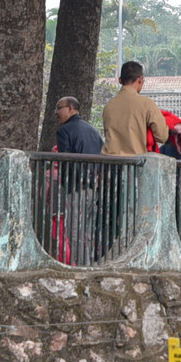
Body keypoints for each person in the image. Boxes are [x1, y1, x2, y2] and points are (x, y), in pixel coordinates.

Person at [51, 96, 103, 265]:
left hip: (76, 186)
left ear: (71, 108)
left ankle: (80, 267)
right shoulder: (93, 130)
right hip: (94, 187)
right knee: (87, 230)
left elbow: (66, 160)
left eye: (59, 108)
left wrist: (64, 180)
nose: (56, 112)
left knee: (74, 230)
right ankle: (87, 264)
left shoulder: (64, 131)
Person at [101, 60, 168, 155]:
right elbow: (162, 136)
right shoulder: (146, 103)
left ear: (120, 80)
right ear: (140, 79)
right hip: (134, 165)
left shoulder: (108, 106)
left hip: (109, 164)